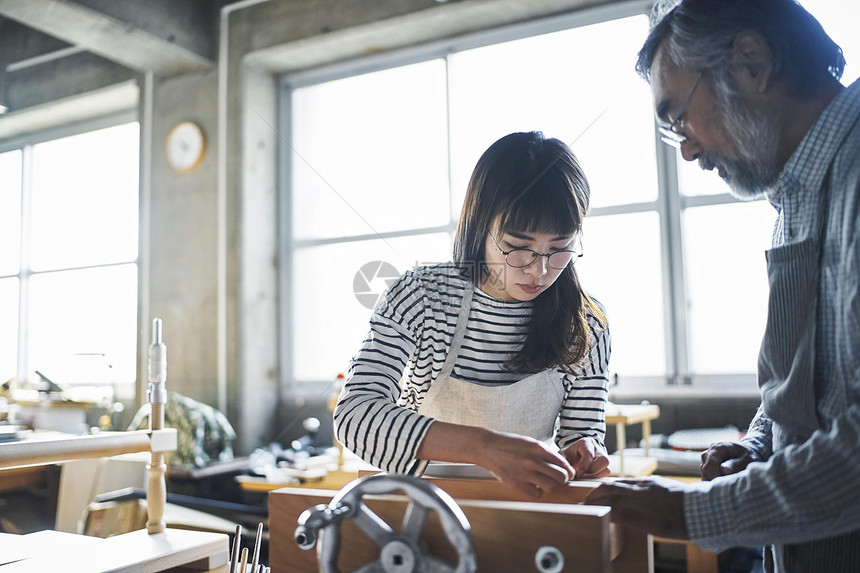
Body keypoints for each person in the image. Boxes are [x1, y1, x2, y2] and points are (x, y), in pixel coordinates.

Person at [584, 0, 860, 571]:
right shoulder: (798, 194)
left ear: (752, 62)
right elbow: (816, 388)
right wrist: (760, 442)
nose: (684, 147)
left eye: (678, 116)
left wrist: (689, 513)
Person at [334, 131, 612, 499]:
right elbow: (356, 415)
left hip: (529, 515)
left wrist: (586, 451)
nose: (539, 270)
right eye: (518, 247)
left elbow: (582, 434)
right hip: (422, 515)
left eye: (559, 249)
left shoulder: (587, 323)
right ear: (481, 226)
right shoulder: (421, 297)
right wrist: (484, 448)